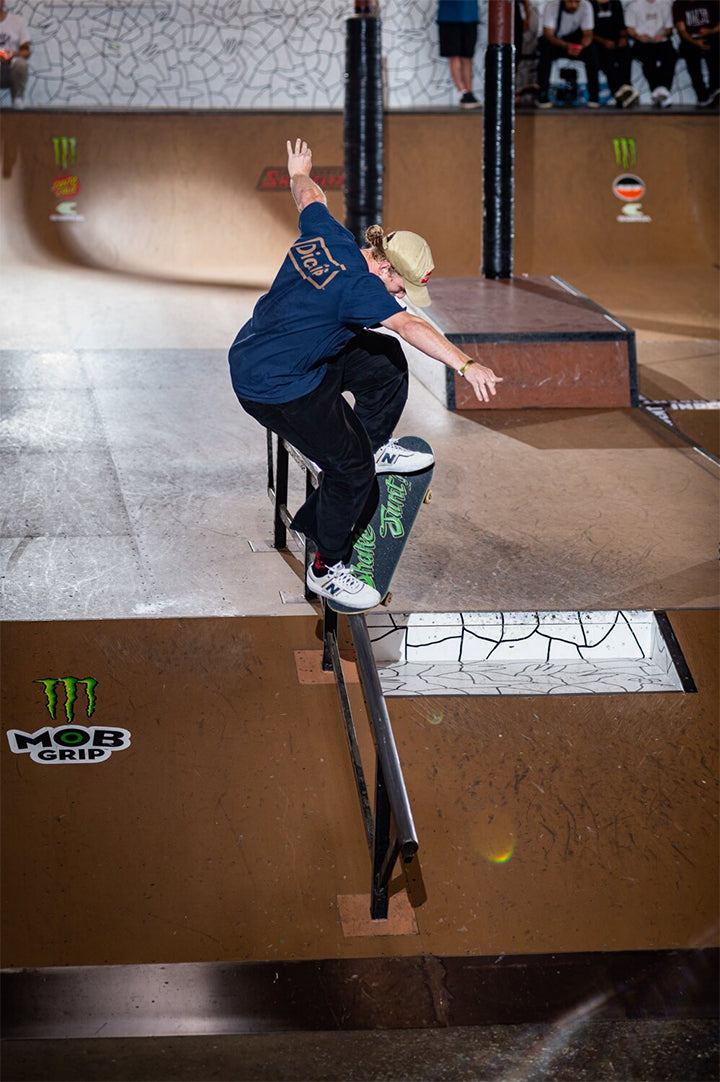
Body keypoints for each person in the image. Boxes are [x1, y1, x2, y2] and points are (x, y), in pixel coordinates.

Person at [229, 139, 502, 612]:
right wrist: (465, 363)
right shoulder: (358, 289)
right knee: (351, 471)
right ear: (384, 265)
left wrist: (297, 171)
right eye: (400, 286)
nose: (400, 295)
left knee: (385, 361)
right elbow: (412, 326)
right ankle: (327, 568)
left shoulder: (330, 235)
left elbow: (310, 197)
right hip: (277, 388)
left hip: (272, 351)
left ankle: (371, 445)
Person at [538, 0, 601, 107]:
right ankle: (542, 95)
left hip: (574, 40)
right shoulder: (552, 6)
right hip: (556, 42)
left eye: (577, 2)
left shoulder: (586, 6)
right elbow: (549, 35)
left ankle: (594, 96)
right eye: (570, 2)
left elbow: (588, 34)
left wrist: (580, 47)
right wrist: (566, 46)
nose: (573, 5)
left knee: (592, 52)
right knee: (545, 50)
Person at [624, 0, 677, 105]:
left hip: (662, 41)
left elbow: (669, 28)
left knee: (671, 56)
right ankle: (659, 91)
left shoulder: (665, 4)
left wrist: (662, 35)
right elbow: (629, 28)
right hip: (641, 42)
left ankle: (662, 90)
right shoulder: (633, 5)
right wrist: (638, 36)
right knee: (648, 59)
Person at [592, 0, 640, 104]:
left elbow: (622, 25)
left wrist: (623, 38)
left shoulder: (615, 3)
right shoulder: (590, 4)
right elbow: (587, 31)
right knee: (607, 59)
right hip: (598, 42)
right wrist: (603, 41)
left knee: (626, 53)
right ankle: (619, 91)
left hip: (616, 40)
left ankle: (626, 87)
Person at [672, 0, 719, 105]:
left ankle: (715, 89)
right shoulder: (679, 4)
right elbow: (681, 29)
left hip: (712, 36)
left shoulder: (713, 2)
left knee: (715, 54)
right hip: (690, 39)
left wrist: (711, 31)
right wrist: (695, 42)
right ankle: (702, 96)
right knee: (692, 59)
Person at [437, 0, 482, 108]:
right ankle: (463, 92)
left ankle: (469, 91)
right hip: (449, 17)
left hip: (470, 15)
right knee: (454, 55)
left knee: (467, 56)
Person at [0, 0, 30, 109]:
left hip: (11, 68)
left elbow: (26, 51)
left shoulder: (17, 21)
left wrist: (13, 54)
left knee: (21, 63)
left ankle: (17, 99)